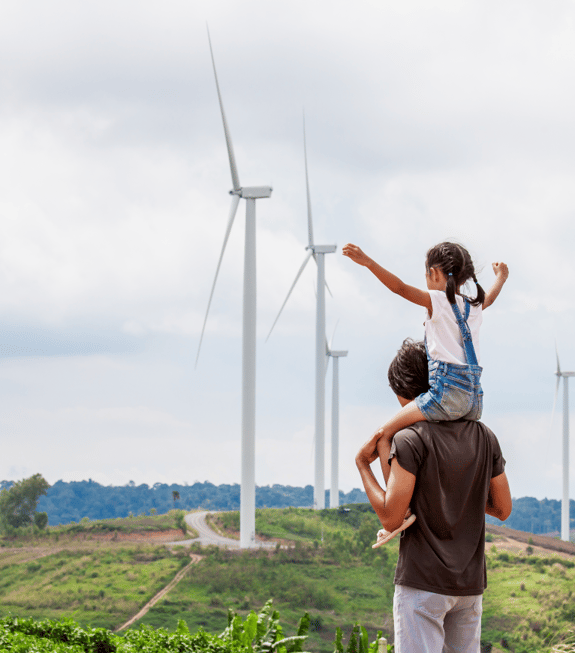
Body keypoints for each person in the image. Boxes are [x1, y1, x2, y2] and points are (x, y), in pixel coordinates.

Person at [342, 241, 509, 543]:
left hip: (444, 395)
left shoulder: (437, 301)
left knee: (384, 434)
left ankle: (399, 509)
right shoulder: (472, 305)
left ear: (433, 273)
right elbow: (492, 298)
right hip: (473, 402)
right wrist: (501, 277)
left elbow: (399, 288)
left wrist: (368, 262)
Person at [355, 338, 512, 653]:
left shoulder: (409, 440)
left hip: (423, 585)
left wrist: (363, 466)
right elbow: (503, 508)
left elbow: (391, 516)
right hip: (469, 587)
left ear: (403, 391)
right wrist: (458, 491)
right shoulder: (485, 436)